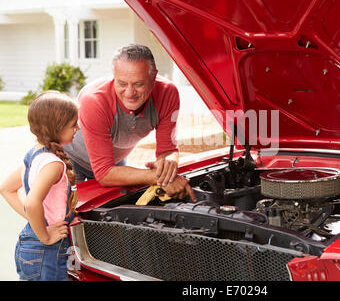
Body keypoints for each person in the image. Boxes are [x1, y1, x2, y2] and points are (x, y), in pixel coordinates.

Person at [63, 44, 195, 201]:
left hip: (113, 163)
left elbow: (167, 150)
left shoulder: (167, 93)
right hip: (70, 158)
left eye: (139, 84)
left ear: (154, 77)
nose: (130, 92)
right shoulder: (94, 100)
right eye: (122, 83)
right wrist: (157, 177)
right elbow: (104, 173)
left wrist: (167, 167)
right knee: (64, 217)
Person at [0, 91, 79, 281]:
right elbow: (33, 202)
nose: (77, 128)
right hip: (46, 250)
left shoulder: (35, 155)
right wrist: (45, 235)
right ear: (57, 128)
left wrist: (35, 220)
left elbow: (6, 188)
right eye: (73, 125)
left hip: (30, 244)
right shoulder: (52, 164)